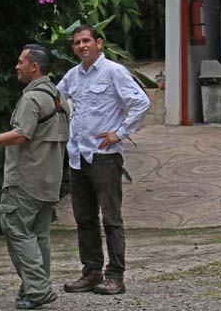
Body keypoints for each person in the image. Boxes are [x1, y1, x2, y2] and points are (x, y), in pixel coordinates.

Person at [0, 45, 69, 310]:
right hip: (50, 180)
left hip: (26, 179)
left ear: (35, 67)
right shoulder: (58, 96)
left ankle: (38, 288)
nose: (16, 67)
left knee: (16, 229)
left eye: (21, 62)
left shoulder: (31, 99)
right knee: (39, 235)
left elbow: (21, 135)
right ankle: (33, 288)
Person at [57, 24, 151, 296]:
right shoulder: (73, 75)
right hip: (78, 156)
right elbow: (55, 98)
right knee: (84, 217)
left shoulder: (113, 72)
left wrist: (119, 133)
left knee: (111, 218)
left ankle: (115, 276)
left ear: (98, 43)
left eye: (86, 41)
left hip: (105, 157)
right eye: (76, 42)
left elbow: (140, 102)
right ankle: (91, 271)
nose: (81, 46)